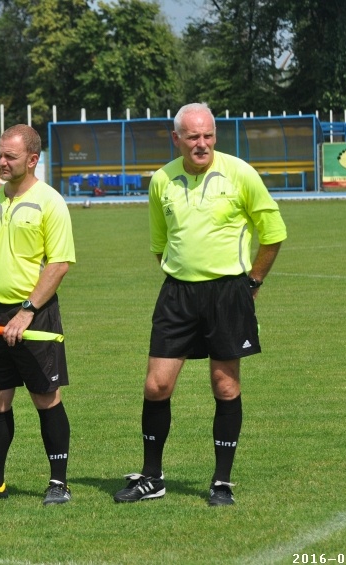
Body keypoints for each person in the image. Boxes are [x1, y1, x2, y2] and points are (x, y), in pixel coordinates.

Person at [113, 102, 287, 507]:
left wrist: (252, 282)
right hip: (177, 294)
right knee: (157, 385)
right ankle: (152, 477)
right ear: (176, 138)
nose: (202, 143)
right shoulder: (162, 180)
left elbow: (273, 232)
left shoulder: (240, 173)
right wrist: (183, 273)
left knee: (225, 385)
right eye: (193, 136)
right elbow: (159, 244)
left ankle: (221, 482)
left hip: (228, 293)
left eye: (208, 135)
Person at [0, 124, 75, 506]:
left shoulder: (50, 202)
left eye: (10, 156)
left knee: (45, 397)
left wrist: (26, 312)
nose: (1, 162)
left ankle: (59, 483)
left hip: (34, 315)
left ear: (32, 159)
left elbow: (59, 263)